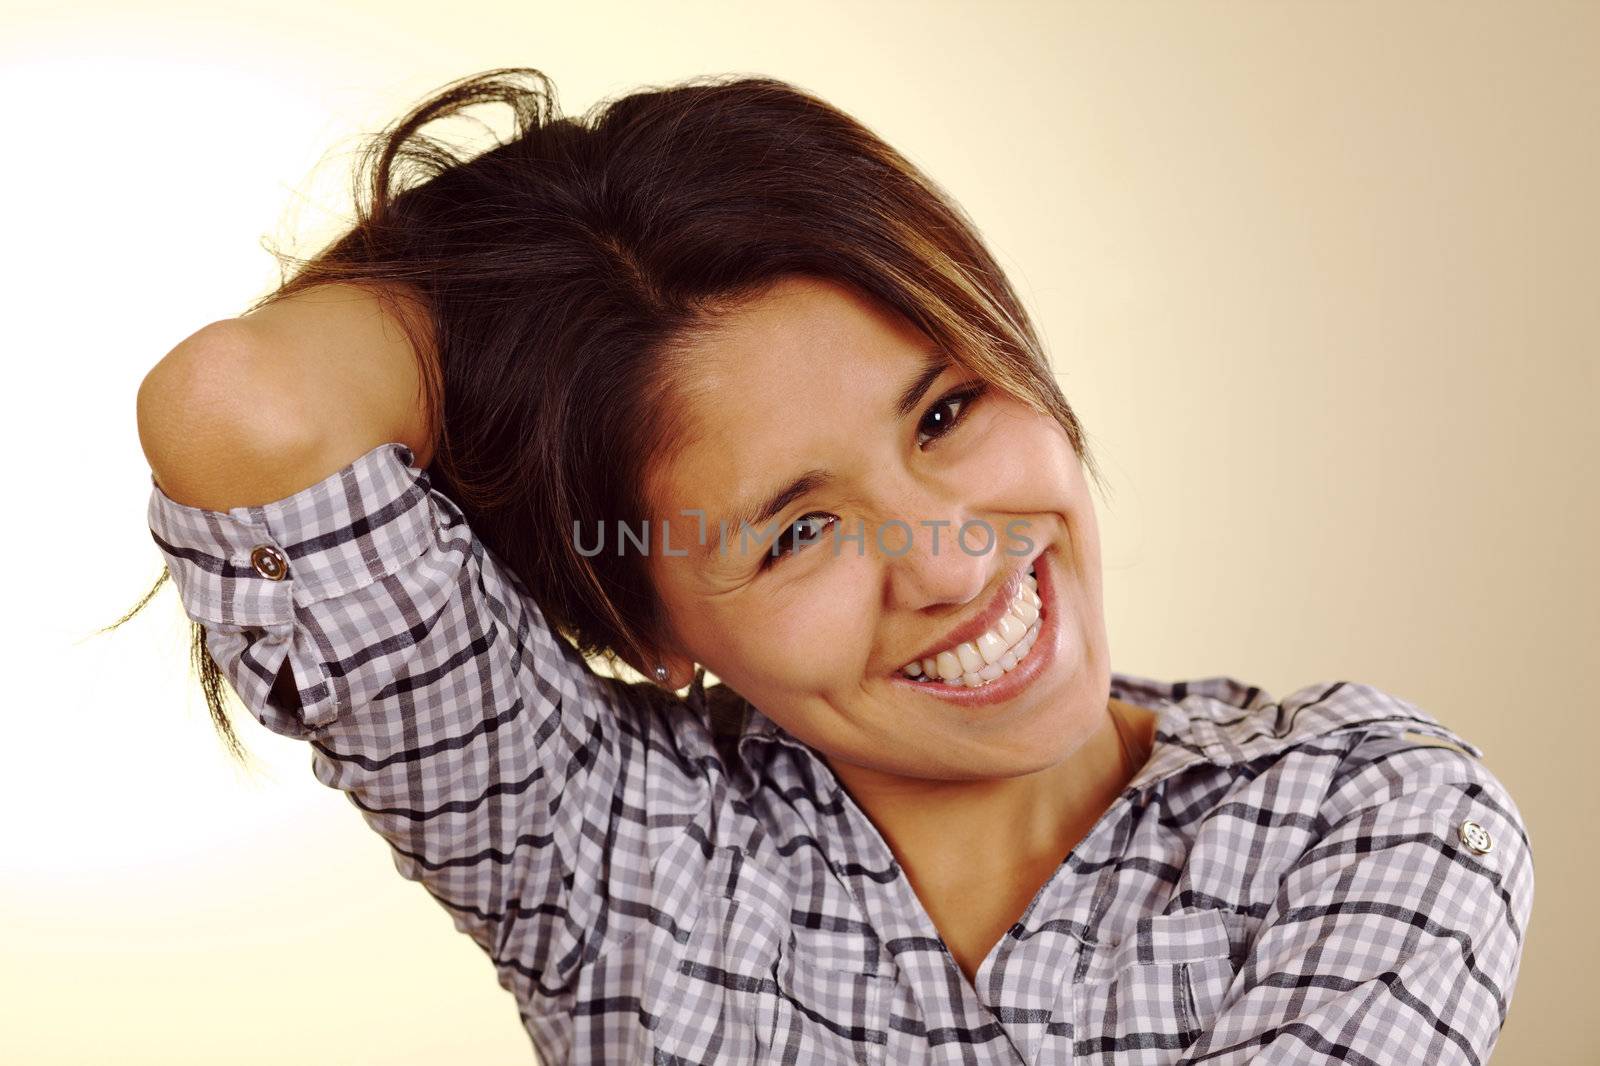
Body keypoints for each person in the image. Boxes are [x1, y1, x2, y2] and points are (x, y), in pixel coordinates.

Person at [130, 67, 1532, 1064]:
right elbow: (240, 405)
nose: (951, 556)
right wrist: (555, 305)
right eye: (797, 529)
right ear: (643, 622)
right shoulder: (605, 846)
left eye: (946, 411)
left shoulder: (1372, 811)